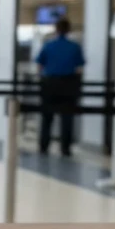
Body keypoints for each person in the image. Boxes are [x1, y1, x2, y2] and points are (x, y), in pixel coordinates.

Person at [36, 18, 85, 157]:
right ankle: (65, 148)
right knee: (67, 118)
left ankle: (44, 146)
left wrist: (42, 78)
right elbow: (79, 68)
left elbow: (40, 65)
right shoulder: (75, 46)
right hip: (68, 84)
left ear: (56, 30)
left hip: (50, 84)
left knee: (47, 117)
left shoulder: (48, 45)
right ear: (69, 30)